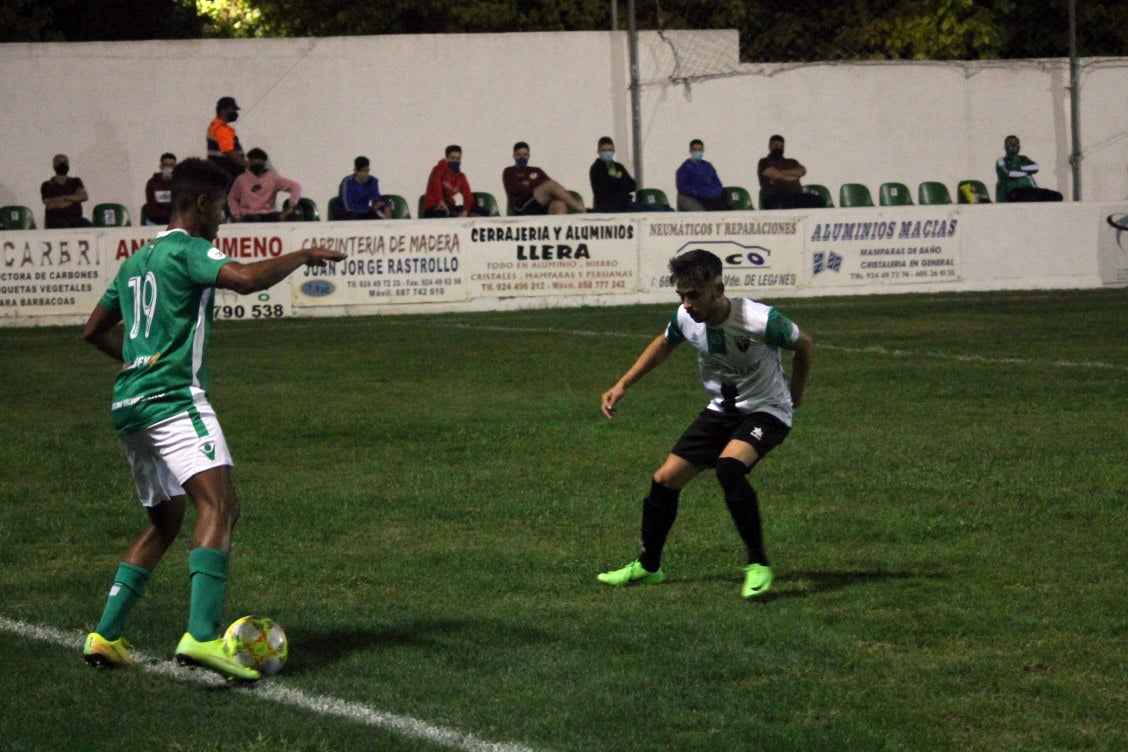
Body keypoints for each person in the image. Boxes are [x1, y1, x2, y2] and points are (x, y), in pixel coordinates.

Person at [81, 157, 346, 681]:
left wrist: (139, 361)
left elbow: (93, 330)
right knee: (220, 504)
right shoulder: (189, 248)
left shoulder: (137, 260)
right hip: (173, 400)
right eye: (222, 207)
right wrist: (303, 254)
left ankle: (105, 636)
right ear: (201, 204)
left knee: (165, 522)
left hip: (129, 407)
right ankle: (201, 637)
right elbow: (243, 280)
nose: (223, 218)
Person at [597, 249, 813, 599]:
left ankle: (758, 564)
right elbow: (664, 344)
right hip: (720, 411)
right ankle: (648, 567)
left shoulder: (760, 320)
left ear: (719, 289)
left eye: (694, 295)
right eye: (681, 295)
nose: (686, 304)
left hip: (767, 410)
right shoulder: (686, 318)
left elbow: (804, 345)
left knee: (729, 468)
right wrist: (622, 385)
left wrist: (796, 393)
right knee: (664, 480)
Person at [502, 141, 586, 215]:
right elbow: (515, 190)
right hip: (521, 206)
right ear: (514, 156)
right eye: (519, 155)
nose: (522, 157)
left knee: (558, 203)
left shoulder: (536, 170)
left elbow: (550, 187)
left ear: (528, 156)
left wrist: (529, 184)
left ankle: (558, 227)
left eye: (525, 155)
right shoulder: (509, 171)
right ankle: (582, 210)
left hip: (539, 204)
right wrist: (537, 187)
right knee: (550, 185)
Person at [226, 148, 302, 222]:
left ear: (264, 163)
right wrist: (237, 215)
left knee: (289, 218)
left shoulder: (273, 178)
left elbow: (295, 187)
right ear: (249, 162)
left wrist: (291, 206)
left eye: (259, 161)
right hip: (249, 215)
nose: (257, 164)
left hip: (270, 214)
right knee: (252, 220)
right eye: (254, 161)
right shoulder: (241, 179)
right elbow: (232, 198)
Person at [757, 135, 824, 210]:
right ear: (769, 147)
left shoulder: (792, 161)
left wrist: (780, 173)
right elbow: (775, 175)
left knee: (819, 201)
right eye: (776, 145)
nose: (779, 148)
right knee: (789, 202)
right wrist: (795, 176)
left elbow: (802, 171)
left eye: (781, 146)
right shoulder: (764, 161)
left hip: (796, 195)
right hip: (774, 197)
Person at [422, 145, 487, 218]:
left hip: (449, 207)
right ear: (446, 159)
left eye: (458, 158)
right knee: (442, 213)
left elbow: (468, 195)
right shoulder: (438, 170)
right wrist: (440, 201)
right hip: (434, 207)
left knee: (483, 212)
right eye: (452, 158)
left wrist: (465, 212)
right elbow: (436, 185)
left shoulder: (460, 177)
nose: (455, 161)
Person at [995, 135, 1063, 202]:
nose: (1013, 145)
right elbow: (1007, 173)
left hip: (1031, 190)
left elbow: (1035, 167)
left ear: (1019, 146)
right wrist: (1026, 172)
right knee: (1022, 196)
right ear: (1005, 146)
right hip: (1012, 193)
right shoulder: (1001, 160)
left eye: (1016, 143)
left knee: (1057, 196)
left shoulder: (1023, 158)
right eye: (1010, 143)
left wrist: (1018, 168)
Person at [589, 136, 641, 213]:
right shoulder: (596, 168)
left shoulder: (618, 166)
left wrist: (615, 181)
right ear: (598, 151)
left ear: (613, 151)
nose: (607, 153)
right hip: (606, 206)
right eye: (604, 150)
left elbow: (633, 185)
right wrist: (620, 180)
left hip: (625, 203)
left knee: (646, 209)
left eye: (609, 150)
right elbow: (606, 188)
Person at [41, 154, 92, 228]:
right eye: (59, 162)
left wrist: (63, 198)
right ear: (54, 165)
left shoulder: (76, 181)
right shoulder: (47, 185)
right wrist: (74, 198)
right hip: (56, 221)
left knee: (90, 226)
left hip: (76, 219)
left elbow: (84, 196)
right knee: (62, 226)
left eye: (65, 162)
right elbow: (50, 205)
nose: (62, 164)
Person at [675, 139, 728, 212]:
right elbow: (682, 187)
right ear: (690, 151)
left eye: (699, 150)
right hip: (693, 198)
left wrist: (713, 192)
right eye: (695, 150)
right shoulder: (685, 167)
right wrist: (697, 191)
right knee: (701, 214)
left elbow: (717, 184)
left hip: (711, 198)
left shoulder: (708, 166)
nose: (697, 152)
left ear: (703, 150)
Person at [206, 96, 247, 185]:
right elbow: (231, 153)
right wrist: (249, 165)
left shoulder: (215, 124)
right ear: (223, 110)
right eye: (233, 110)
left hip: (220, 172)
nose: (235, 113)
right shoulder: (221, 129)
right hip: (227, 173)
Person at [143, 153, 177, 225]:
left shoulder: (179, 183)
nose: (168, 168)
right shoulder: (152, 183)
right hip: (155, 221)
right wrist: (168, 216)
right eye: (165, 165)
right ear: (160, 167)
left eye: (171, 165)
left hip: (173, 220)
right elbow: (152, 207)